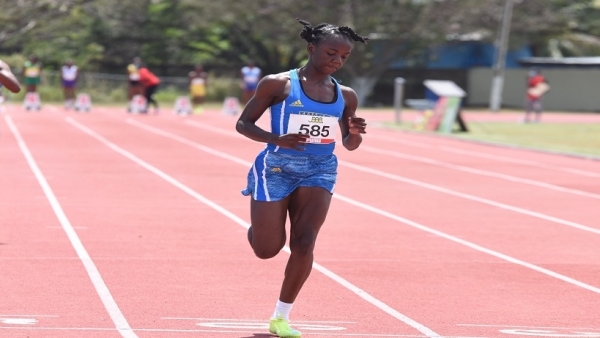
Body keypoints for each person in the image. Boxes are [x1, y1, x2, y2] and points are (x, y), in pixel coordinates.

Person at [235, 18, 368, 338]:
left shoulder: (346, 95)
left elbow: (350, 145)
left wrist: (353, 133)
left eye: (344, 57)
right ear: (312, 48)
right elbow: (243, 124)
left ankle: (281, 317)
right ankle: (261, 226)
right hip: (277, 167)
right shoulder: (277, 84)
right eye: (331, 53)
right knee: (267, 249)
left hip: (320, 170)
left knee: (305, 242)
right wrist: (277, 138)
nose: (336, 61)